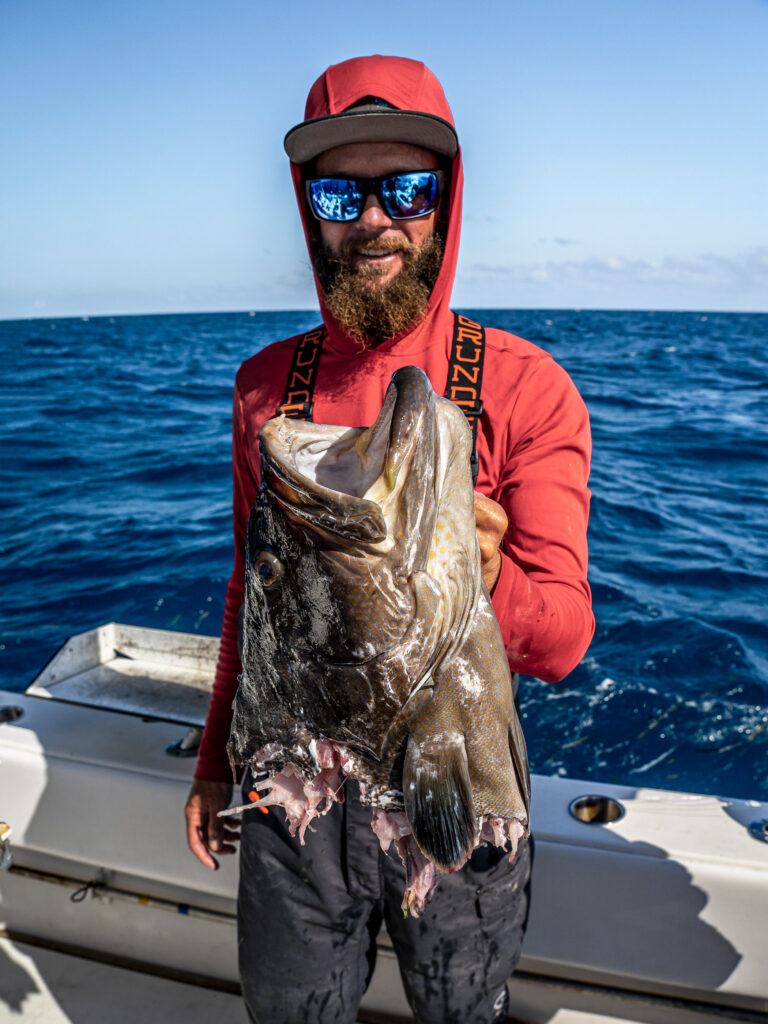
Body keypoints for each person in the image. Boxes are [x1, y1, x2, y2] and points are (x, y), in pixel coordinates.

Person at [185, 55, 594, 1024]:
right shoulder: (263, 390)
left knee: (461, 1009)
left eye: (406, 187)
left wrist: (486, 569)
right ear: (307, 205)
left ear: (445, 201)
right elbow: (254, 588)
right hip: (294, 802)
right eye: (340, 190)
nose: (374, 218)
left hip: (457, 784)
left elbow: (566, 638)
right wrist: (212, 763)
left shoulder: (527, 388)